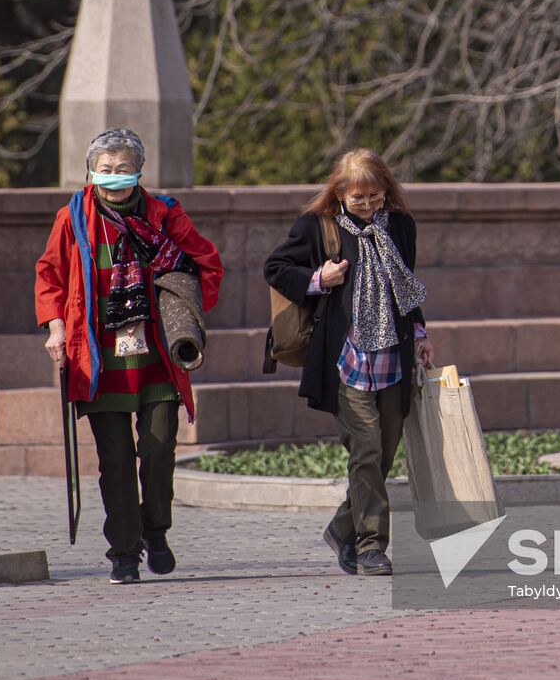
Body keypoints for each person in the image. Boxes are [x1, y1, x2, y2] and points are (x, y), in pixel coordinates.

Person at [35, 129, 223, 583]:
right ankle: (123, 552)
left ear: (139, 170)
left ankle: (154, 531)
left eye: (122, 168)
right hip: (98, 358)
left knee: (158, 452)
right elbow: (50, 274)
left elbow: (206, 264)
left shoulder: (164, 215)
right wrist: (56, 326)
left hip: (157, 355)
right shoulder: (73, 217)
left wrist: (186, 311)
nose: (113, 176)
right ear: (90, 170)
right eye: (105, 168)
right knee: (115, 461)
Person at [264, 148, 434, 576]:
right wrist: (319, 279)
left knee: (384, 454)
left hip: (393, 352)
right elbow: (276, 267)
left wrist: (420, 334)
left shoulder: (400, 226)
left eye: (375, 197)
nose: (367, 206)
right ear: (339, 191)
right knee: (366, 449)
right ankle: (371, 545)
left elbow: (405, 285)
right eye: (359, 198)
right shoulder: (316, 227)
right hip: (346, 358)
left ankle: (343, 526)